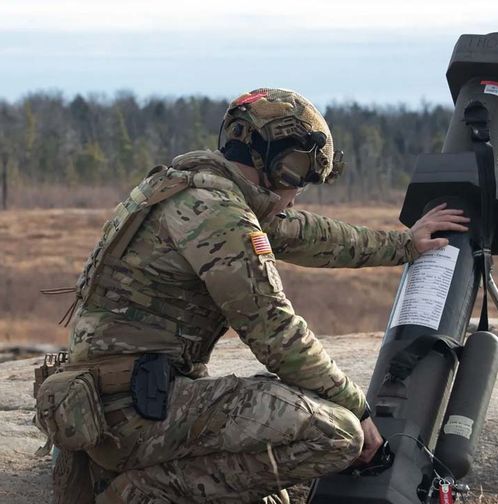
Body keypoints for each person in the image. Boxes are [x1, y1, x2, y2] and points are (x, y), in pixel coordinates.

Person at [59, 88, 469, 503]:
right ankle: (138, 492)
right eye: (298, 170)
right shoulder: (217, 213)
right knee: (338, 434)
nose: (299, 187)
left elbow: (307, 234)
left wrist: (403, 245)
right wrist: (359, 410)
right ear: (269, 158)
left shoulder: (194, 189)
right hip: (133, 413)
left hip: (121, 399)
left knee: (272, 492)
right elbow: (274, 331)